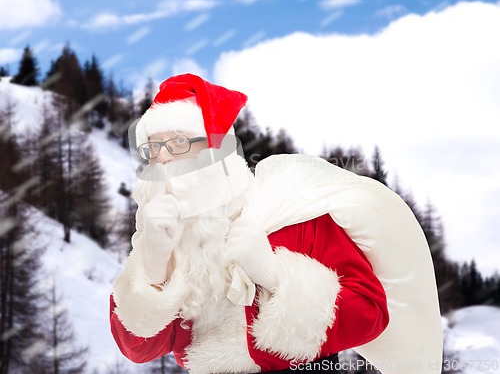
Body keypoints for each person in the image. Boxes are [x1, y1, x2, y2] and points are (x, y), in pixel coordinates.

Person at [110, 73, 443, 374]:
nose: (162, 158)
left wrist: (273, 273)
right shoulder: (166, 236)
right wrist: (152, 262)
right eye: (152, 148)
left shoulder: (292, 212)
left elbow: (370, 315)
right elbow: (139, 349)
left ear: (217, 151)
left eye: (179, 143)